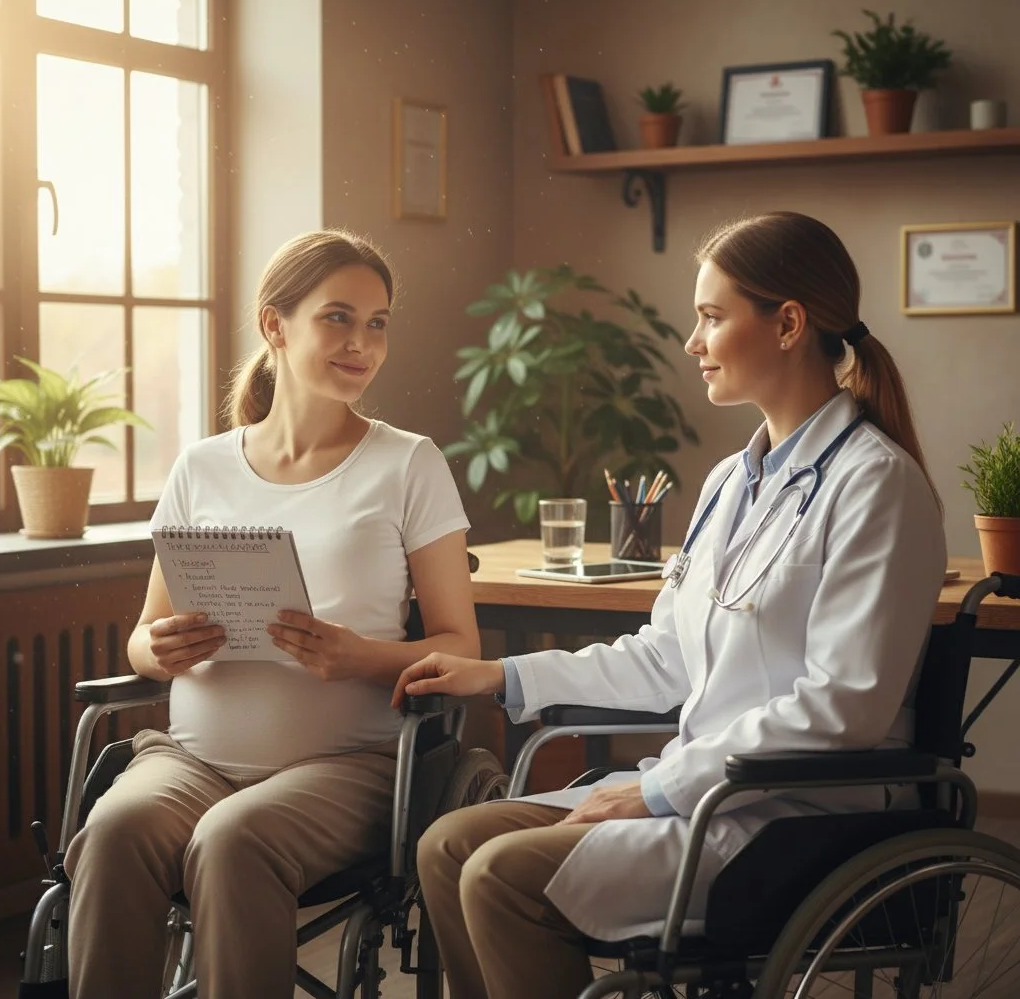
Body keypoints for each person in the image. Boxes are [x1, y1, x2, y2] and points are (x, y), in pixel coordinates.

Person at [392, 212, 948, 999]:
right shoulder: (731, 481)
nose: (692, 341)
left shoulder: (876, 485)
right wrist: (497, 675)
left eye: (712, 317)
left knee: (499, 877)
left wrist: (653, 791)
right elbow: (665, 658)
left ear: (788, 324)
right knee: (446, 847)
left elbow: (843, 707)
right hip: (707, 791)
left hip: (791, 817)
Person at [63, 229, 480, 999]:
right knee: (115, 830)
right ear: (274, 326)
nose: (362, 343)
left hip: (346, 769)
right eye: (339, 318)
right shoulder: (203, 465)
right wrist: (163, 648)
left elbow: (461, 643)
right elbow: (141, 643)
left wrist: (360, 655)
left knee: (232, 841)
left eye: (378, 322)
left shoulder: (408, 463)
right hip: (192, 761)